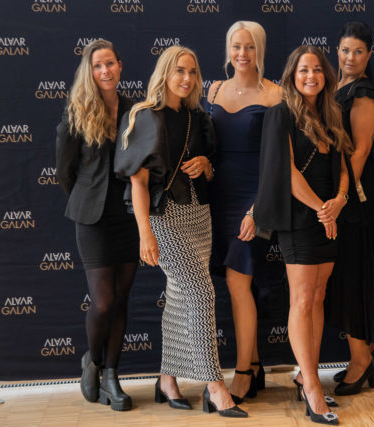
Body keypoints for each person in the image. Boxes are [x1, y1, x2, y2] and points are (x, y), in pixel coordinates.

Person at [114, 46, 247, 417]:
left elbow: (211, 169)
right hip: (164, 216)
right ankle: (215, 386)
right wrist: (145, 233)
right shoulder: (145, 116)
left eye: (192, 72)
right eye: (179, 71)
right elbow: (139, 182)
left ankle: (167, 380)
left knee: (178, 295)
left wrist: (205, 163)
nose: (186, 78)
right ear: (164, 73)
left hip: (198, 214)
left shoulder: (197, 117)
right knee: (201, 294)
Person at [255, 45, 353, 426]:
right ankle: (312, 387)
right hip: (300, 217)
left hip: (330, 215)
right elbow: (287, 172)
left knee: (318, 296)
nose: (311, 76)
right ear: (292, 76)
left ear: (326, 75)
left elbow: (342, 165)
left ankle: (304, 374)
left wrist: (339, 200)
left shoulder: (332, 114)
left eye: (317, 70)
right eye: (303, 70)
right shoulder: (280, 115)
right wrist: (320, 209)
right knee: (301, 299)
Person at [55, 39, 139, 411]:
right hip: (92, 218)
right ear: (89, 72)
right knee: (103, 301)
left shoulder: (136, 110)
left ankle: (112, 375)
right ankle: (93, 359)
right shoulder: (77, 111)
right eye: (97, 65)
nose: (105, 70)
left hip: (130, 216)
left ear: (120, 66)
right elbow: (65, 172)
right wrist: (88, 197)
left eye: (110, 63)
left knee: (121, 299)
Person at [204, 21, 283, 403]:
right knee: (236, 284)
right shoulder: (212, 90)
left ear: (260, 50)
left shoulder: (276, 94)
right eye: (236, 46)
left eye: (250, 47)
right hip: (216, 198)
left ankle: (241, 374)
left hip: (254, 199)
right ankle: (253, 365)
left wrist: (256, 209)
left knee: (239, 283)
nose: (242, 54)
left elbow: (278, 161)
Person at [325, 21, 374, 396]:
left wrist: (342, 194)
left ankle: (361, 359)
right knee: (345, 275)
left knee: (354, 275)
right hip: (340, 193)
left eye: (359, 51)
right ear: (337, 50)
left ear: (369, 55)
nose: (350, 57)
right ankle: (365, 351)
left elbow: (361, 152)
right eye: (346, 50)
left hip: (356, 195)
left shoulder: (363, 94)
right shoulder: (335, 86)